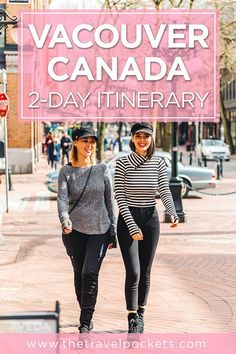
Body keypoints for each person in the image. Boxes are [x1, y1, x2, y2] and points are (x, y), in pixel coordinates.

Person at [114, 122, 179, 334]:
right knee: (133, 271)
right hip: (127, 218)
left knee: (146, 270)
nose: (143, 140)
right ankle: (131, 316)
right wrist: (131, 225)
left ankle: (141, 314)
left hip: (150, 219)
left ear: (151, 139)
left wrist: (172, 211)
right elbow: (120, 197)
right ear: (132, 138)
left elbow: (164, 190)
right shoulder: (122, 163)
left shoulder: (158, 163)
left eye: (146, 136)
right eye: (138, 136)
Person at [57, 127, 117, 333]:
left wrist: (113, 229)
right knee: (79, 274)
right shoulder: (66, 171)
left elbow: (110, 201)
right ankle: (86, 311)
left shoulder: (102, 169)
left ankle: (85, 321)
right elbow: (62, 199)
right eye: (85, 141)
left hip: (100, 230)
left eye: (92, 141)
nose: (89, 145)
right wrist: (64, 220)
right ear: (75, 143)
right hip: (74, 232)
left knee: (90, 273)